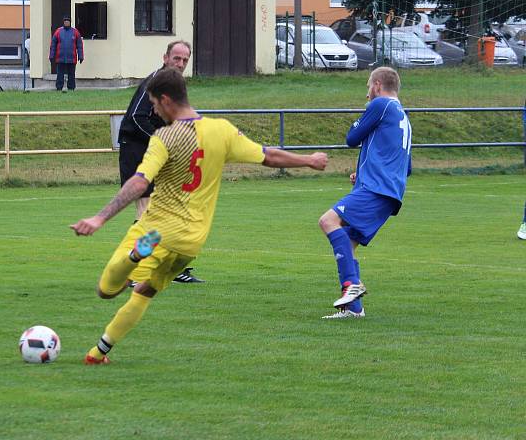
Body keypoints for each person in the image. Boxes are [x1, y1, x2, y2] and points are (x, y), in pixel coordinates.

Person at [71, 68, 328, 364]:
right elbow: (267, 156)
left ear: (166, 101)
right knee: (146, 290)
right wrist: (308, 160)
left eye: (154, 104)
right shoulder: (222, 131)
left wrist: (100, 218)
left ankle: (133, 257)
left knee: (107, 290)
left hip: (156, 229)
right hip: (191, 242)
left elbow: (141, 181)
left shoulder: (164, 137)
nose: (154, 110)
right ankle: (98, 353)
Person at [318, 67, 412, 319]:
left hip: (376, 190)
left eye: (368, 86)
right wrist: (365, 172)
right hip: (388, 193)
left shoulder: (381, 104)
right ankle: (354, 309)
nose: (367, 92)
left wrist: (371, 178)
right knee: (347, 245)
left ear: (378, 85)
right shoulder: (403, 115)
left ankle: (352, 286)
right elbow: (406, 165)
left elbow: (352, 138)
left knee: (327, 221)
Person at [118, 40, 202, 283]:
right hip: (135, 150)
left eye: (185, 60)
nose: (181, 63)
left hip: (155, 155)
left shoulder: (175, 88)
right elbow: (136, 117)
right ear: (165, 57)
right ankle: (132, 270)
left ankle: (171, 268)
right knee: (146, 214)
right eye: (176, 58)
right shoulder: (155, 82)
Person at [49, 16, 83, 91]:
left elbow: (79, 45)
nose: (66, 22)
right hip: (60, 58)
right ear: (63, 22)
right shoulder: (58, 31)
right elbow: (53, 44)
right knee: (60, 75)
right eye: (65, 21)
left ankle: (71, 88)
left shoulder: (75, 32)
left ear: (70, 22)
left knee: (71, 75)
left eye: (68, 21)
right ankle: (59, 88)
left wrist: (81, 56)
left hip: (72, 58)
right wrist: (51, 55)